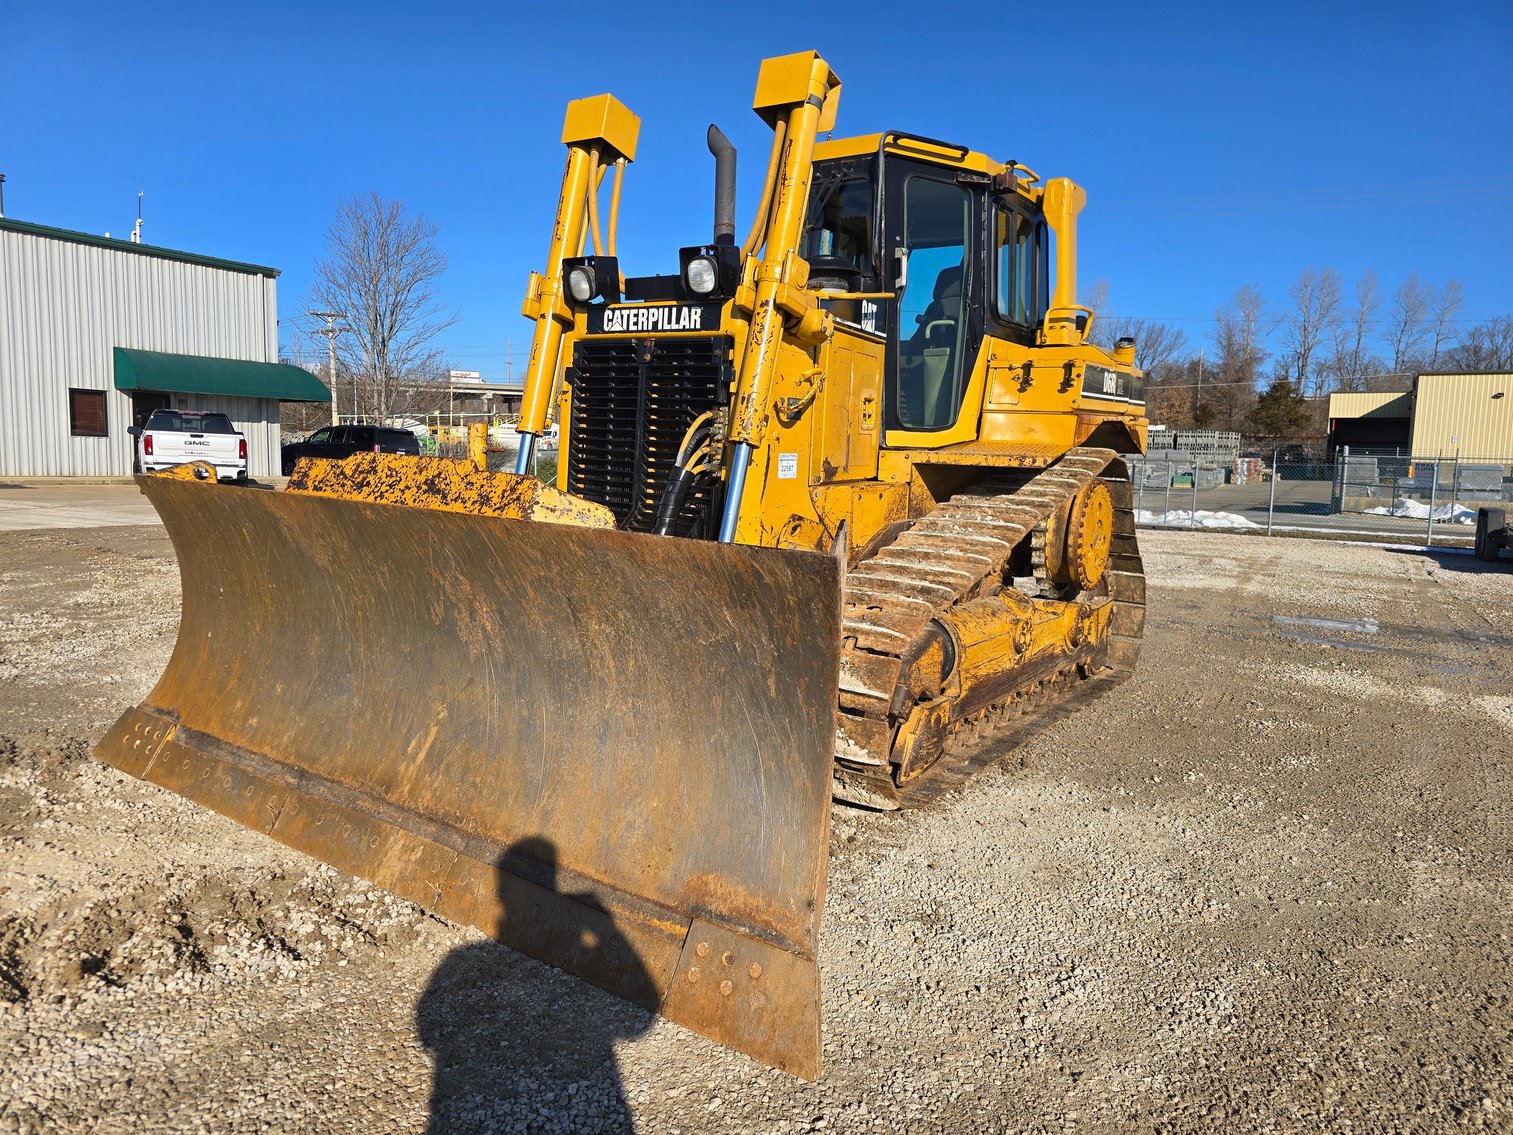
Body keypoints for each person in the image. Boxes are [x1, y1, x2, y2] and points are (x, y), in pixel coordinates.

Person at [417, 838, 655, 1134]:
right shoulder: (463, 958)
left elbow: (427, 1033)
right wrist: (606, 929)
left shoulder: (460, 958)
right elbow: (638, 1025)